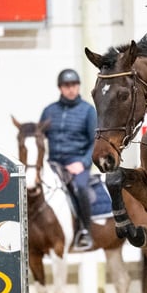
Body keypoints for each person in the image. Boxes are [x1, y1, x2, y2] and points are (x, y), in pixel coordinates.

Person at [40, 68, 97, 251]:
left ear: (78, 86)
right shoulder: (49, 111)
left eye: (74, 85)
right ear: (60, 88)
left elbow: (95, 142)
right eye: (67, 86)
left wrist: (82, 163)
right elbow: (39, 139)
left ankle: (84, 231)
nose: (71, 89)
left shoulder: (88, 111)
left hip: (77, 164)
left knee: (80, 188)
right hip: (54, 163)